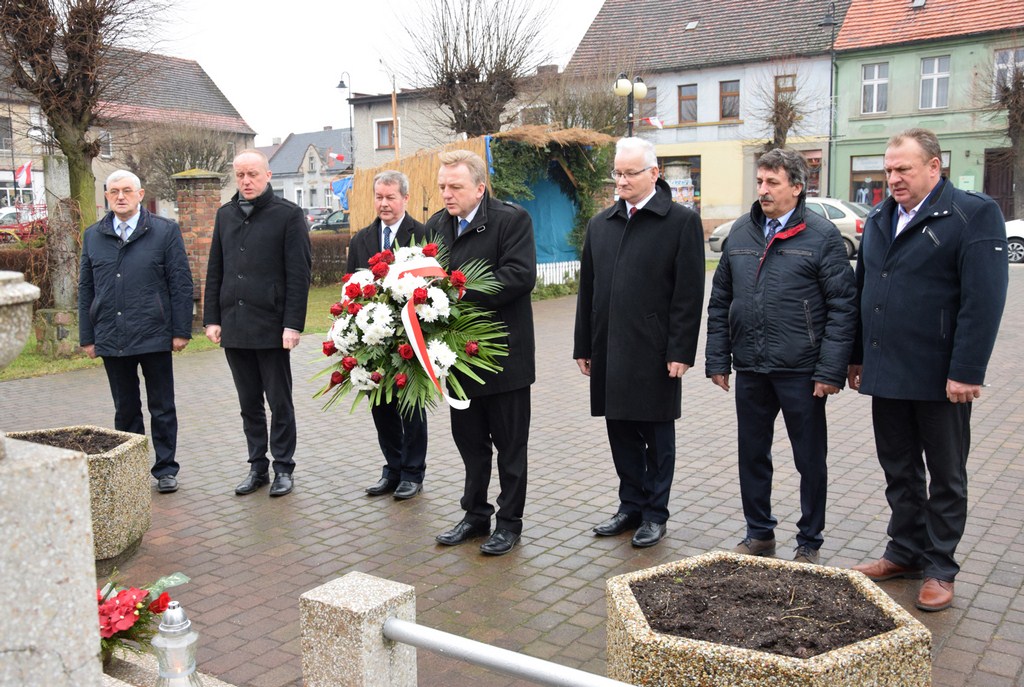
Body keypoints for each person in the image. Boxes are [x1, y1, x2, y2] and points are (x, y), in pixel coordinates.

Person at [848, 128, 1008, 611]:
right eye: (889, 169)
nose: (892, 178)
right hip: (887, 370)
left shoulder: (973, 214)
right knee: (898, 470)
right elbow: (864, 291)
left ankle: (940, 566)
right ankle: (904, 551)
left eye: (904, 169)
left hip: (941, 377)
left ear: (934, 167)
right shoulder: (879, 217)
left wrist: (967, 370)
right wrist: (856, 355)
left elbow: (984, 301)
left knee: (945, 473)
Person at [705, 148, 857, 565]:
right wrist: (719, 359)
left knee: (809, 459)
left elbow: (844, 307)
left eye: (772, 182)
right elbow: (720, 301)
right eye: (759, 182)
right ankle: (759, 534)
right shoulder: (741, 233)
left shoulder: (821, 236)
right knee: (752, 455)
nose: (763, 190)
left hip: (802, 371)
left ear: (796, 186)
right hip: (751, 367)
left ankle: (809, 541)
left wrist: (831, 370)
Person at [573, 137, 705, 549]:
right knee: (620, 431)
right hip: (610, 347)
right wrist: (584, 345)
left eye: (631, 173)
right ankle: (630, 505)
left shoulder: (680, 222)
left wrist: (681, 351)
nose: (622, 181)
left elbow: (688, 294)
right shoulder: (601, 224)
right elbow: (587, 291)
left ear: (654, 173)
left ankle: (655, 513)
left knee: (657, 436)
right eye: (618, 173)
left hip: (655, 351)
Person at [425, 149, 536, 556]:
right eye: (442, 187)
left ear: (479, 187)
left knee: (510, 448)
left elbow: (519, 276)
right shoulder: (438, 225)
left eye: (455, 187)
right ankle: (474, 514)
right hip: (459, 360)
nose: (447, 195)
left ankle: (509, 523)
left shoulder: (511, 220)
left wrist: (455, 293)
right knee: (470, 445)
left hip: (505, 357)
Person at [204, 149, 312, 497]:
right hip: (234, 326)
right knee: (248, 403)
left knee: (279, 401)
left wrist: (292, 325)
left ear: (268, 175)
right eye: (240, 175)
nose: (246, 181)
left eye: (252, 174)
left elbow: (299, 275)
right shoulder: (225, 215)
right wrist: (211, 318)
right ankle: (257, 466)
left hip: (272, 327)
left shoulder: (289, 216)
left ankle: (283, 467)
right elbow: (215, 268)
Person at [78, 170, 193, 494]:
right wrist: (87, 335)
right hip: (111, 335)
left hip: (154, 332)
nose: (120, 196)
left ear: (141, 194)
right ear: (106, 196)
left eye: (127, 190)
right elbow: (86, 287)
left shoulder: (164, 231)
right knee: (125, 408)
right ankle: (130, 468)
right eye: (114, 191)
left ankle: (166, 469)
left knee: (162, 406)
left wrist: (180, 329)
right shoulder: (94, 235)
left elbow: (180, 283)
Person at [347, 170, 428, 500]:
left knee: (410, 408)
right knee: (381, 407)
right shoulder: (361, 239)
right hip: (373, 340)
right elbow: (349, 290)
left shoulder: (423, 235)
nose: (383, 203)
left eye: (390, 197)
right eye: (379, 197)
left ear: (405, 199)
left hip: (409, 338)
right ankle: (393, 469)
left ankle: (413, 472)